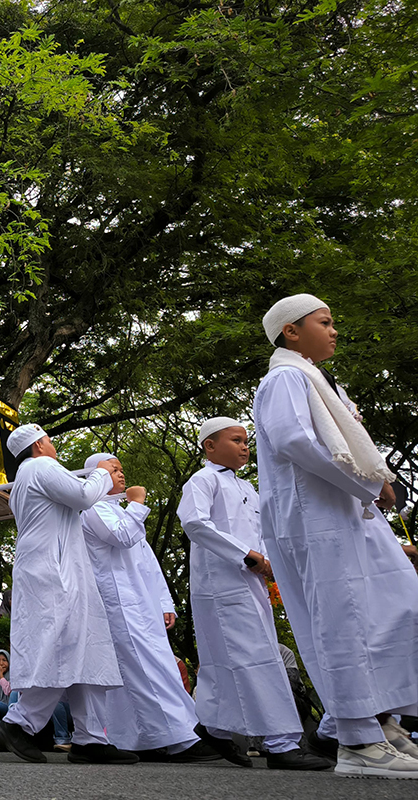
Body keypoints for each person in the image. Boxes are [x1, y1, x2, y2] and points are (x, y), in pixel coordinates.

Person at [253, 294, 418, 778]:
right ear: (291, 331)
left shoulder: (319, 381)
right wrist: (370, 482)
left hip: (348, 514)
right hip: (316, 519)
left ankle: (383, 722)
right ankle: (357, 740)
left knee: (394, 605)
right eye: (325, 322)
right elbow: (294, 441)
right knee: (344, 621)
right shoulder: (285, 377)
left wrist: (370, 486)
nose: (335, 330)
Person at [177, 417, 334, 771]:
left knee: (228, 660)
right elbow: (195, 523)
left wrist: (268, 562)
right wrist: (247, 556)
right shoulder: (202, 480)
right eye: (236, 440)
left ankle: (214, 728)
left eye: (246, 440)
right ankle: (281, 743)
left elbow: (264, 532)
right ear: (210, 446)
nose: (245, 446)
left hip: (250, 582)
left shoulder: (247, 488)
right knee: (256, 657)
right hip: (221, 584)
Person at [0, 423, 136, 765]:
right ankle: (19, 723)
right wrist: (101, 473)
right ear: (40, 445)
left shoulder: (25, 480)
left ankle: (89, 738)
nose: (53, 446)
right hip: (54, 573)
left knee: (83, 652)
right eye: (50, 441)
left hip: (59, 568)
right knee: (63, 647)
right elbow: (85, 497)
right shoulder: (41, 467)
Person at [79, 451, 220, 763]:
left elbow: (148, 564)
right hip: (119, 605)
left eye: (120, 469)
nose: (120, 474)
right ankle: (180, 738)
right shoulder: (93, 510)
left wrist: (164, 602)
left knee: (147, 668)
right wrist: (139, 503)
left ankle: (142, 739)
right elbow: (123, 536)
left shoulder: (119, 510)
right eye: (112, 470)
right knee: (145, 668)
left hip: (141, 605)